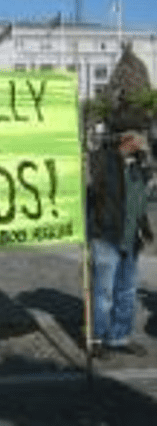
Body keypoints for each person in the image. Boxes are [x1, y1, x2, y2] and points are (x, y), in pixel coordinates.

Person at [88, 129, 153, 359]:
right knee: (104, 292)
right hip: (106, 236)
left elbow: (138, 199)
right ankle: (97, 339)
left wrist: (145, 228)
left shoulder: (137, 165)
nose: (143, 143)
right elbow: (92, 191)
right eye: (139, 138)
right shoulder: (103, 161)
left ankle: (119, 337)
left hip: (131, 239)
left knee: (127, 291)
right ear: (127, 139)